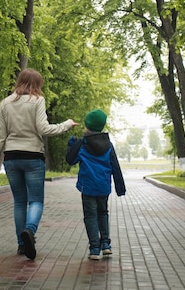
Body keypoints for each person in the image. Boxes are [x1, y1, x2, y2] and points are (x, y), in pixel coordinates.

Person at [0, 68, 78, 260]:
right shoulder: (37, 101)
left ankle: (21, 245)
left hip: (11, 157)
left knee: (19, 202)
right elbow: (44, 129)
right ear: (36, 85)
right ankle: (29, 230)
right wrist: (67, 124)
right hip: (32, 156)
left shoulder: (5, 103)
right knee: (35, 200)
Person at [66, 108, 126, 260]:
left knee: (90, 216)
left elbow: (70, 160)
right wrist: (120, 188)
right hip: (103, 187)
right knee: (103, 213)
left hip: (88, 187)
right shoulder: (109, 145)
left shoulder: (81, 143)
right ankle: (106, 244)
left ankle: (94, 248)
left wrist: (71, 145)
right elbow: (115, 166)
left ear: (87, 126)